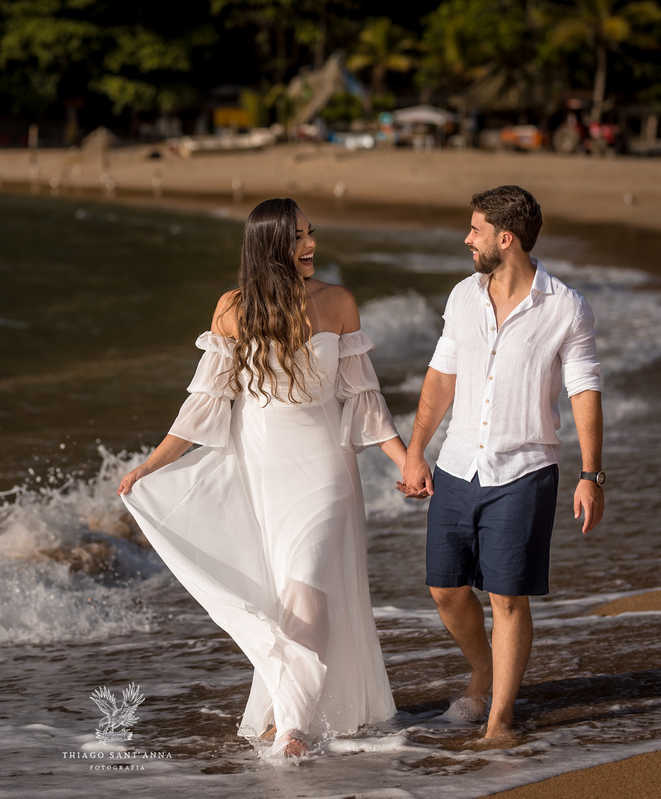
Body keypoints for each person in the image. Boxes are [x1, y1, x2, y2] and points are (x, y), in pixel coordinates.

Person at [118, 198, 407, 758]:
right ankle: (286, 707)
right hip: (261, 471)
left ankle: (293, 725)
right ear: (270, 244)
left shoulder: (338, 302)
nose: (311, 245)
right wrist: (151, 466)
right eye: (299, 236)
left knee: (309, 580)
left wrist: (404, 461)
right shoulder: (231, 309)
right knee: (284, 597)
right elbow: (206, 405)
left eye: (311, 233)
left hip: (326, 468)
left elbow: (363, 398)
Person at [400, 185, 604, 740]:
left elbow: (584, 389)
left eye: (476, 230)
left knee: (508, 597)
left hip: (525, 470)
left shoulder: (565, 307)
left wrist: (591, 475)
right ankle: (484, 669)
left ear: (505, 239)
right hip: (457, 465)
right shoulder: (463, 296)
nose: (468, 239)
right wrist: (417, 450)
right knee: (445, 588)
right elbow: (442, 377)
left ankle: (500, 719)